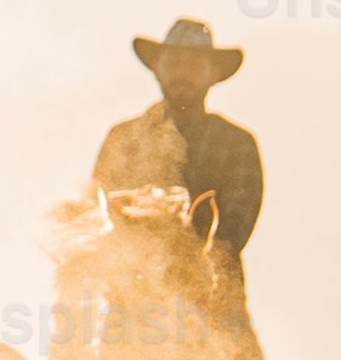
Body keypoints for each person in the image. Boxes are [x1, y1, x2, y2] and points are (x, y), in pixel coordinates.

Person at [88, 18, 267, 258]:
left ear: (214, 73)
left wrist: (184, 253)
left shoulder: (235, 143)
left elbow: (234, 230)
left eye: (194, 65)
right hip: (130, 286)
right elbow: (97, 212)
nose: (182, 73)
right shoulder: (124, 138)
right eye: (173, 63)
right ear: (157, 67)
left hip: (207, 289)